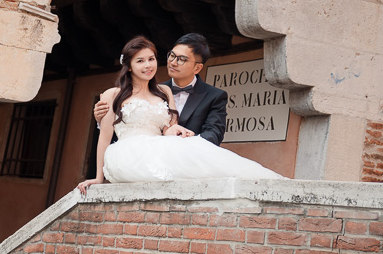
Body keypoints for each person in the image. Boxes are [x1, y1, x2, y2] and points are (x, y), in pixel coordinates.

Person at [77, 35, 283, 193]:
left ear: (197, 67)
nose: (148, 65)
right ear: (129, 66)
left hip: (165, 147)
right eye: (140, 61)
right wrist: (98, 177)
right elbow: (104, 138)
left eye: (151, 59)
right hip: (129, 152)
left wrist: (182, 134)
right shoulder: (113, 94)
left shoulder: (164, 92)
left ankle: (263, 181)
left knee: (209, 157)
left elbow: (170, 128)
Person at [93, 32, 228, 143]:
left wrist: (185, 142)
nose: (173, 63)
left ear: (197, 68)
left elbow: (214, 134)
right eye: (172, 56)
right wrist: (104, 118)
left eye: (181, 59)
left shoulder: (214, 96)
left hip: (190, 160)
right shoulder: (154, 91)